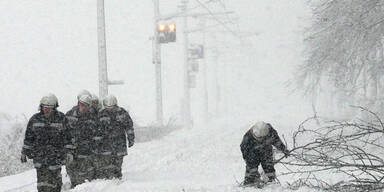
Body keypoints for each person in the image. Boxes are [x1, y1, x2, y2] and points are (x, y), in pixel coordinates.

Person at [21, 94, 72, 192]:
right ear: (41, 107)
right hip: (40, 158)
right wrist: (24, 152)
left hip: (56, 157)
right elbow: (28, 138)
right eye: (45, 107)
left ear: (55, 107)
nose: (47, 110)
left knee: (55, 184)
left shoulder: (61, 119)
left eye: (50, 108)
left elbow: (68, 138)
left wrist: (69, 152)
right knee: (42, 185)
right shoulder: (35, 119)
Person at [65, 94, 100, 188]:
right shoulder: (69, 115)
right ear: (78, 103)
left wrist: (94, 148)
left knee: (85, 177)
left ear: (89, 106)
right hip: (72, 150)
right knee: (72, 172)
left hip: (87, 151)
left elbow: (97, 134)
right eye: (82, 104)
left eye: (86, 105)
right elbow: (63, 133)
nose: (83, 107)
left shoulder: (93, 118)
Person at [240, 121, 290, 186]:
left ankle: (271, 182)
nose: (260, 139)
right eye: (259, 138)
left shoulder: (271, 132)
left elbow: (276, 141)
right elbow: (244, 151)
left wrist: (283, 149)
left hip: (266, 150)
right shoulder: (247, 138)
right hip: (252, 153)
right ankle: (249, 183)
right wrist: (250, 163)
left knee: (268, 166)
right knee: (251, 170)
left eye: (262, 138)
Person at [96, 95, 134, 179]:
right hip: (106, 144)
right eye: (108, 107)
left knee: (118, 162)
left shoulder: (122, 113)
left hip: (119, 143)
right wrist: (97, 142)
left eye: (112, 107)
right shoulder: (101, 114)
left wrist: (131, 138)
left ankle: (117, 177)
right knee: (107, 162)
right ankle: (108, 178)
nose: (110, 109)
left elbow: (129, 127)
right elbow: (97, 129)